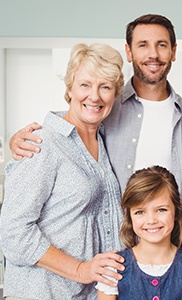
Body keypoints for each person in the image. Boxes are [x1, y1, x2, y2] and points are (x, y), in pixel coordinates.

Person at [9, 13, 182, 218]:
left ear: (173, 51)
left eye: (162, 45)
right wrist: (20, 139)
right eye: (143, 45)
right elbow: (69, 129)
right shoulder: (105, 108)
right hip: (117, 243)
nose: (152, 54)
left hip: (175, 242)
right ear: (129, 52)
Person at [0, 43, 125, 299]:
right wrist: (80, 269)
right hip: (41, 293)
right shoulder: (41, 144)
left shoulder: (104, 141)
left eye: (105, 87)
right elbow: (13, 232)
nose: (95, 96)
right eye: (85, 85)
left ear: (115, 93)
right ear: (69, 88)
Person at [96, 166, 182, 300]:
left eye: (161, 210)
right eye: (140, 212)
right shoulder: (113, 268)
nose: (151, 220)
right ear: (130, 218)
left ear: (176, 212)